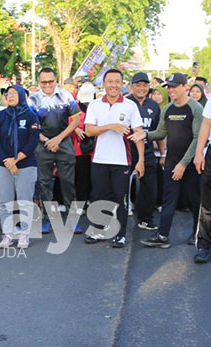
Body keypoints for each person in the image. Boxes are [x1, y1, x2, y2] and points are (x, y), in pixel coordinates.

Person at [140, 73, 204, 249]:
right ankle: (162, 235)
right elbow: (160, 133)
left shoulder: (195, 108)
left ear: (185, 87)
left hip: (191, 163)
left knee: (195, 200)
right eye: (169, 87)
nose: (170, 90)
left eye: (175, 86)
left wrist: (183, 164)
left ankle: (198, 233)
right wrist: (144, 134)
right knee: (168, 199)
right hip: (172, 162)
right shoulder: (167, 109)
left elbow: (198, 138)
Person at [84, 69, 146, 247]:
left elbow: (139, 134)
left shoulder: (130, 105)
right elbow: (89, 130)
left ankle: (120, 235)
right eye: (110, 81)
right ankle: (98, 229)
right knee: (98, 196)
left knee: (121, 198)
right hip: (99, 160)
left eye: (117, 82)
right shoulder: (95, 105)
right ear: (104, 84)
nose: (113, 85)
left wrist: (140, 160)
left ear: (122, 84)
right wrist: (111, 126)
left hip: (122, 161)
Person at [29, 68, 82, 233]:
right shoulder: (33, 100)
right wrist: (47, 141)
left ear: (56, 80)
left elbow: (76, 121)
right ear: (39, 83)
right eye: (44, 82)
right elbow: (32, 126)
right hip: (42, 144)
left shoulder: (66, 96)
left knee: (68, 182)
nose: (47, 85)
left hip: (64, 142)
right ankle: (48, 219)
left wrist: (58, 139)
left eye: (50, 81)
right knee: (44, 183)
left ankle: (73, 220)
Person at [0, 85, 39, 249]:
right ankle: (8, 234)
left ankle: (24, 235)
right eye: (7, 94)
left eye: (13, 94)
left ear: (21, 95)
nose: (10, 97)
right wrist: (7, 161)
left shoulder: (31, 115)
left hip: (26, 164)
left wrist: (15, 161)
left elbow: (33, 141)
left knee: (24, 201)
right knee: (5, 201)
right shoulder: (0, 116)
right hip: (2, 165)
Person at [125, 72, 161, 231]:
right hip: (126, 150)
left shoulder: (154, 106)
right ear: (131, 86)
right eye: (138, 85)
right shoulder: (125, 103)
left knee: (150, 187)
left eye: (144, 85)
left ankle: (145, 218)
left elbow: (160, 131)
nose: (141, 88)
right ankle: (118, 218)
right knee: (120, 186)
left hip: (147, 150)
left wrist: (163, 152)